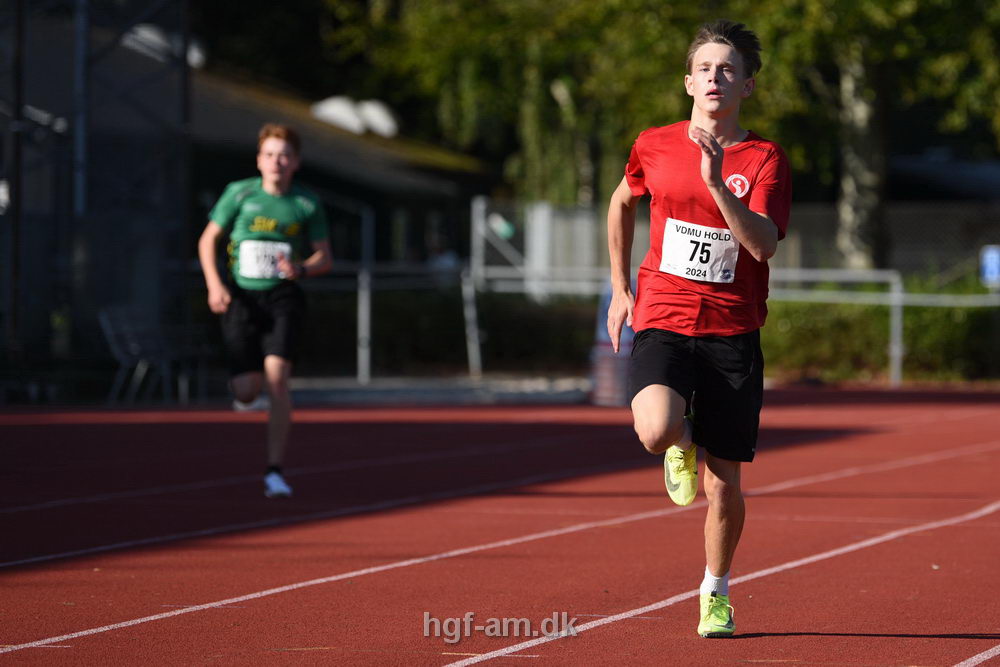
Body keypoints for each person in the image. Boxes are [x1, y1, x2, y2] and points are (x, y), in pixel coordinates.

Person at [605, 20, 791, 638]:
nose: (716, 77)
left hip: (732, 331)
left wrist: (717, 183)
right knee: (656, 429)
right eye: (706, 68)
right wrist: (620, 287)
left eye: (729, 70)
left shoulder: (764, 158)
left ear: (747, 87)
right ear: (689, 82)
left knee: (724, 484)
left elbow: (762, 246)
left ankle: (715, 590)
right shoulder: (654, 144)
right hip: (662, 312)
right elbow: (621, 201)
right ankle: (682, 441)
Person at [198, 123, 332, 499]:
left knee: (277, 382)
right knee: (246, 391)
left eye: (284, 155)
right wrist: (214, 284)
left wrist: (303, 268)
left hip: (283, 298)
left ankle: (274, 470)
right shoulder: (238, 194)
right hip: (241, 297)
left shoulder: (306, 203)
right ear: (259, 160)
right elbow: (208, 240)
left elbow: (325, 256)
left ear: (296, 163)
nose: (277, 162)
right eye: (270, 155)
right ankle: (244, 388)